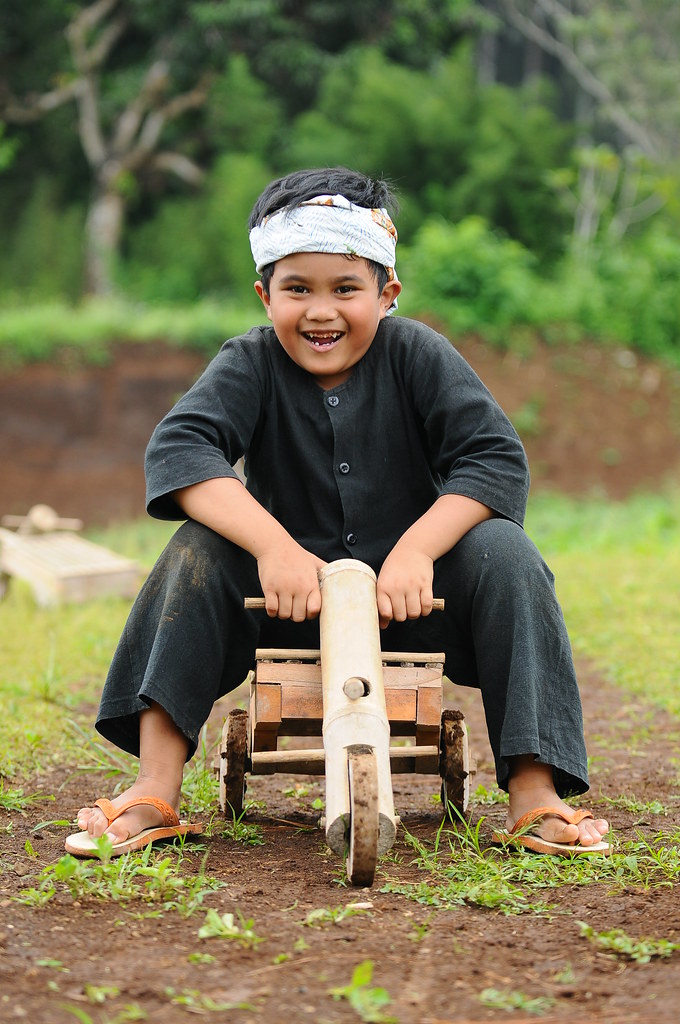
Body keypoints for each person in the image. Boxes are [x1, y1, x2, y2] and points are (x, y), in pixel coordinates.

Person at [66, 166, 609, 858]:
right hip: (285, 607)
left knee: (507, 552)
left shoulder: (418, 355)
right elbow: (181, 450)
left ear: (387, 294)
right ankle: (153, 790)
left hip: (412, 607)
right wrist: (274, 547)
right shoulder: (250, 364)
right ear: (265, 295)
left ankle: (535, 793)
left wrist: (416, 551)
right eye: (298, 289)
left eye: (346, 289)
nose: (321, 311)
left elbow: (494, 460)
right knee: (195, 551)